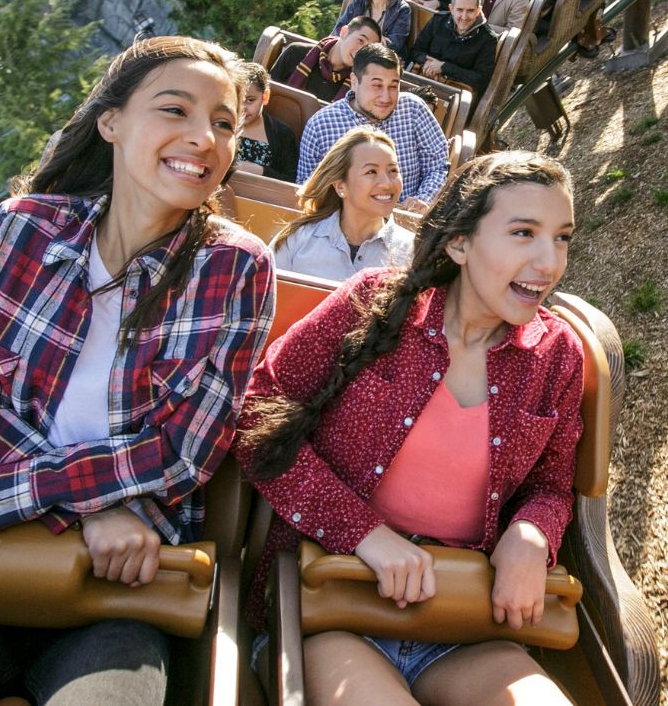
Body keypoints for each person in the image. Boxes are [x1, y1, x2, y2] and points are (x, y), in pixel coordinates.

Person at [0, 37, 277, 706]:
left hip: (122, 574)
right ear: (111, 122)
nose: (203, 137)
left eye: (225, 123)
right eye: (175, 110)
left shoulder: (236, 267)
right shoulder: (21, 230)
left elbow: (183, 453)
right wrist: (90, 509)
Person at [236, 151, 583, 706]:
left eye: (562, 237)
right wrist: (364, 535)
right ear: (460, 243)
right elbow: (257, 416)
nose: (548, 261)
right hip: (334, 605)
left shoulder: (557, 354)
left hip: (461, 620)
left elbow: (550, 486)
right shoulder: (372, 303)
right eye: (523, 233)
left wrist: (531, 536)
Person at [297, 43, 449, 212]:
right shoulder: (321, 125)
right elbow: (307, 189)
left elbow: (438, 166)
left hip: (405, 218)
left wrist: (421, 200)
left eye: (393, 86)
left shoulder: (414, 109)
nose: (386, 97)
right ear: (354, 82)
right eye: (377, 85)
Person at [273, 126, 415, 282]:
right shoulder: (297, 240)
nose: (387, 184)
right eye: (371, 172)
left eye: (393, 171)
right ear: (341, 187)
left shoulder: (413, 253)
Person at [269, 16, 382, 104]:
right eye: (360, 40)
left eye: (368, 49)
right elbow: (266, 91)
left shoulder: (357, 84)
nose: (361, 51)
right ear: (344, 32)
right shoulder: (296, 52)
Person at [408, 0, 499, 92]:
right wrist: (428, 64)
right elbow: (415, 51)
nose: (464, 17)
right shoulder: (438, 20)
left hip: (455, 93)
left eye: (470, 11)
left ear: (478, 10)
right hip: (425, 80)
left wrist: (444, 67)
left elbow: (481, 80)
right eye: (460, 10)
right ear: (451, 8)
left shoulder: (488, 39)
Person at [234, 61, 300, 182]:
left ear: (265, 97)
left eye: (250, 100)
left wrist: (261, 171)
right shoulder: (220, 125)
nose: (242, 108)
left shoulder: (282, 134)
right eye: (237, 99)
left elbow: (292, 180)